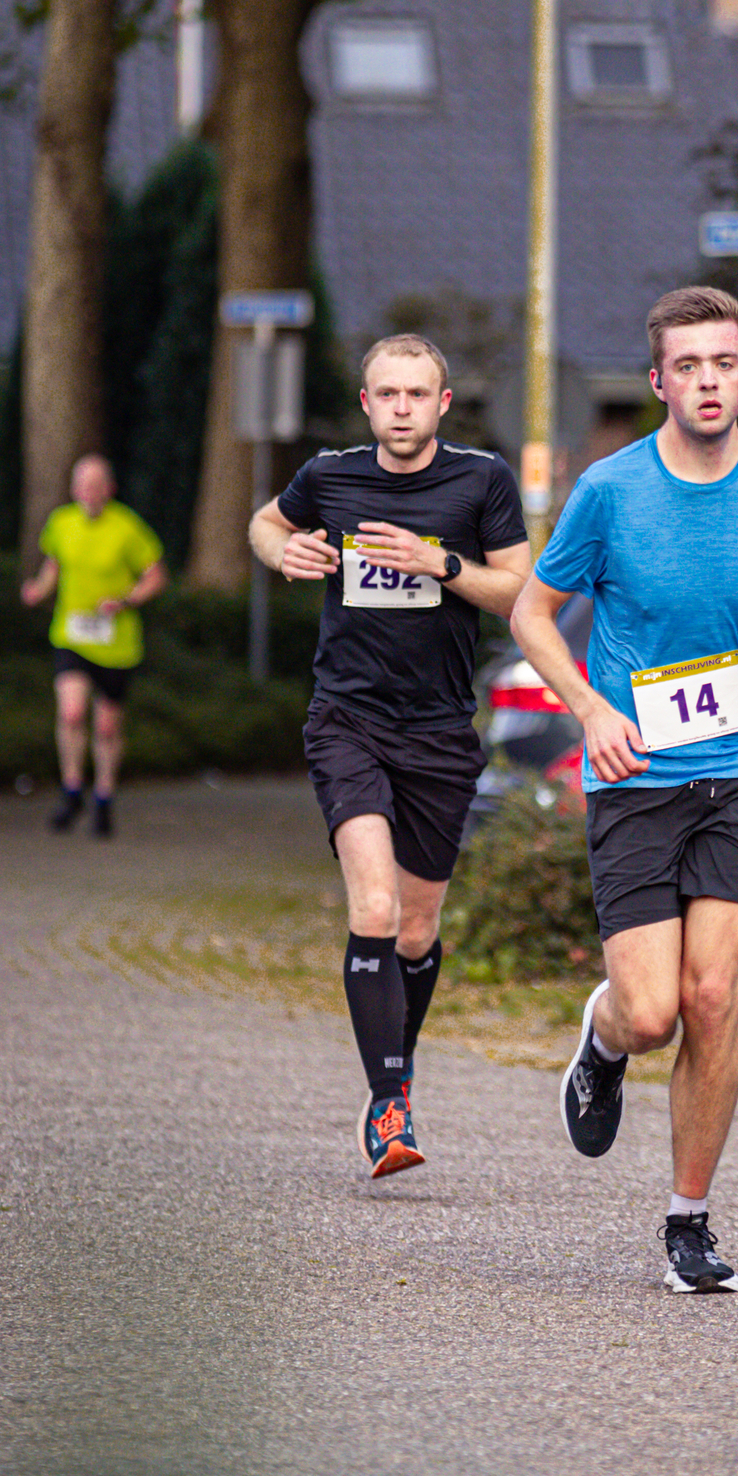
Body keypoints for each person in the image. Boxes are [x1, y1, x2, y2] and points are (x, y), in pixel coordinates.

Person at [509, 284, 738, 1293]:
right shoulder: (610, 492)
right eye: (686, 367)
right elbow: (530, 613)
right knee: (652, 1013)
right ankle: (604, 1038)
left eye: (722, 365)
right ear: (658, 381)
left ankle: (688, 1221)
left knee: (711, 998)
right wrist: (590, 711)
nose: (707, 382)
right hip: (635, 772)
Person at [251, 334, 530, 1178]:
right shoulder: (330, 475)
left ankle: (392, 1075)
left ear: (442, 404)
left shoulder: (482, 480)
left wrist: (438, 562)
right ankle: (389, 1103)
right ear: (366, 402)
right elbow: (266, 522)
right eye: (387, 394)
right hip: (348, 720)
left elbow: (520, 589)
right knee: (373, 906)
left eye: (416, 394)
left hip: (440, 731)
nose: (401, 408)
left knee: (416, 926)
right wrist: (283, 550)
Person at [20, 454, 168, 838]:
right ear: (73, 489)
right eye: (82, 484)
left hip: (116, 643)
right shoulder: (61, 522)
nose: (89, 491)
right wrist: (39, 589)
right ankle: (71, 790)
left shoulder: (127, 527)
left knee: (106, 726)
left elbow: (156, 576)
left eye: (96, 484)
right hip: (71, 635)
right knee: (71, 713)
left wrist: (127, 600)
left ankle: (103, 797)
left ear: (110, 489)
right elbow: (53, 565)